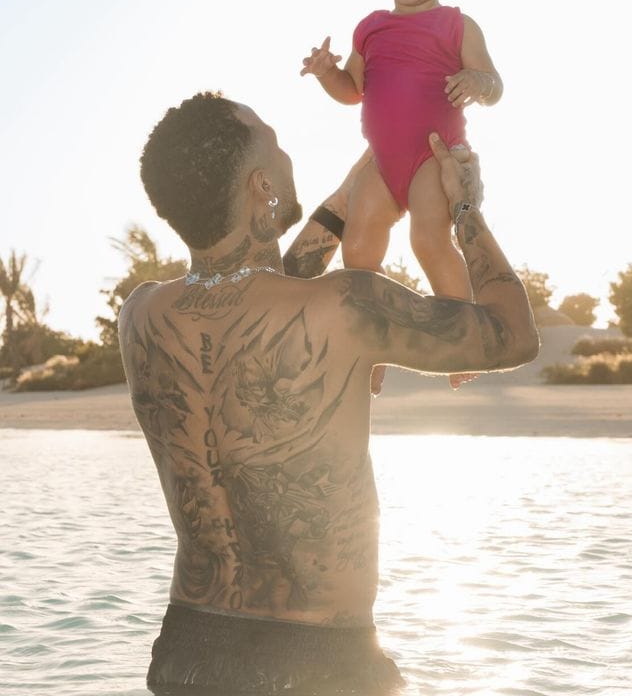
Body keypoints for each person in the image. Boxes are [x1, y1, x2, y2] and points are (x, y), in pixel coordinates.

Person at [120, 91, 538, 695]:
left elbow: (256, 300)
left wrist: (344, 204)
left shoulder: (141, 315)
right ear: (262, 186)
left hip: (187, 655)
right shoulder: (347, 304)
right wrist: (465, 206)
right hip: (319, 663)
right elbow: (513, 335)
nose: (291, 156)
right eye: (278, 144)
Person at [301, 0, 503, 392]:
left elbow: (495, 85)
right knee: (360, 242)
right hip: (383, 162)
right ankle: (372, 346)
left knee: (428, 240)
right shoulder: (370, 28)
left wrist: (477, 83)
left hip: (433, 161)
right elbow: (353, 92)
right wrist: (328, 74)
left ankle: (461, 338)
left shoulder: (456, 25)